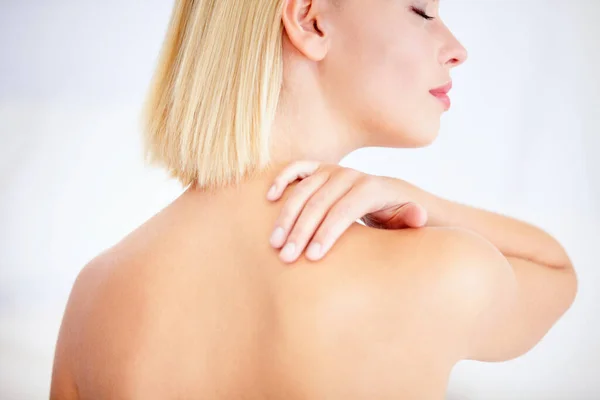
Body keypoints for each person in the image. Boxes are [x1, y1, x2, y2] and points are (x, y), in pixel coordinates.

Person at [50, 0, 578, 399]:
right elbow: (557, 273)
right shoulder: (435, 269)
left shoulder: (96, 295)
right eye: (420, 11)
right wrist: (419, 201)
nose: (457, 48)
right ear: (310, 20)